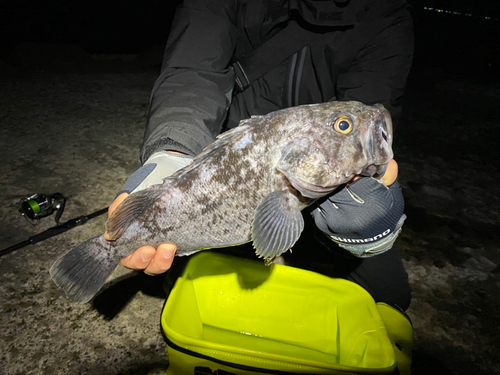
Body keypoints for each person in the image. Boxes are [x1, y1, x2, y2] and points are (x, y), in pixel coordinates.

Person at [105, 0, 414, 311]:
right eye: (344, 125)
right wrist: (173, 152)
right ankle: (162, 259)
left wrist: (370, 207)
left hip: (306, 176)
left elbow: (367, 107)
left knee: (387, 296)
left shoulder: (384, 14)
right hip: (219, 146)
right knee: (196, 290)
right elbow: (193, 70)